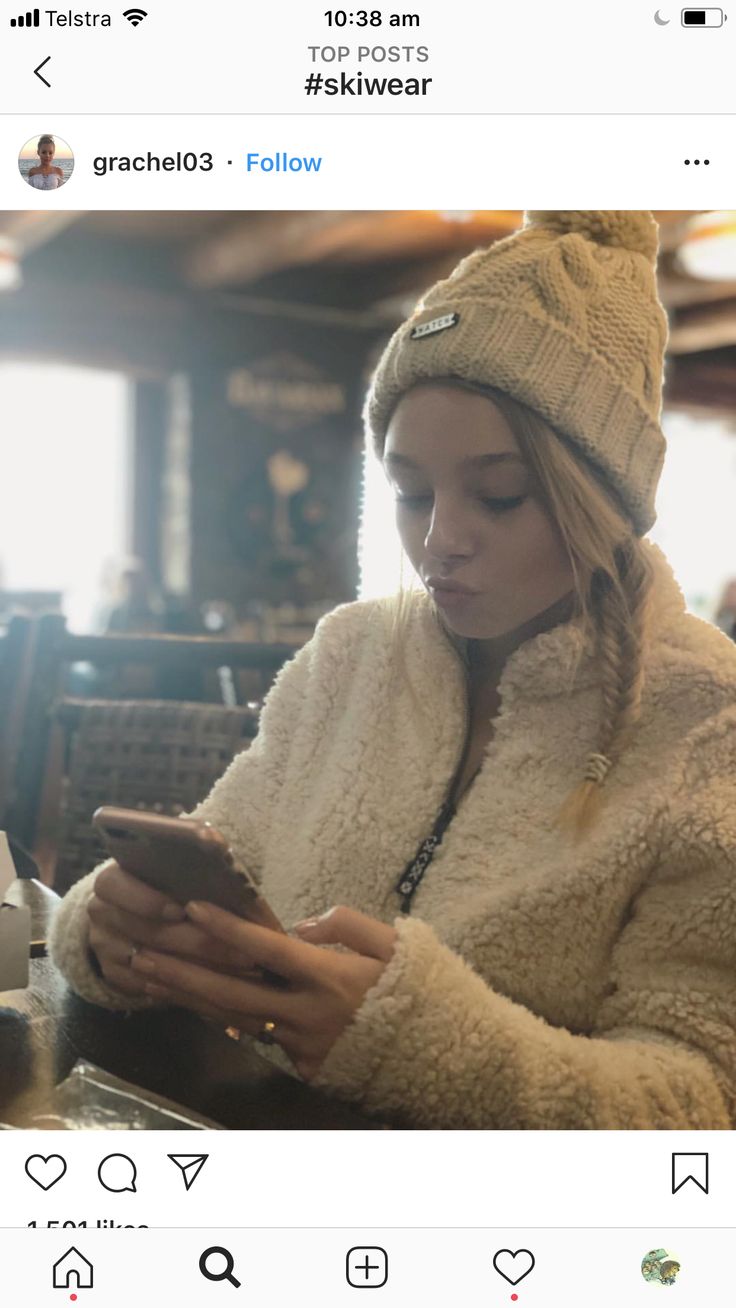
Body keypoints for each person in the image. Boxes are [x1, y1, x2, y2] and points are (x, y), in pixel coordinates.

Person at [49, 212, 736, 1129]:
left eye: (499, 495)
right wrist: (108, 928)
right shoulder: (351, 655)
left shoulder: (706, 725)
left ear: (603, 496)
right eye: (411, 493)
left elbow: (698, 1098)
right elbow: (221, 849)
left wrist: (409, 1041)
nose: (439, 543)